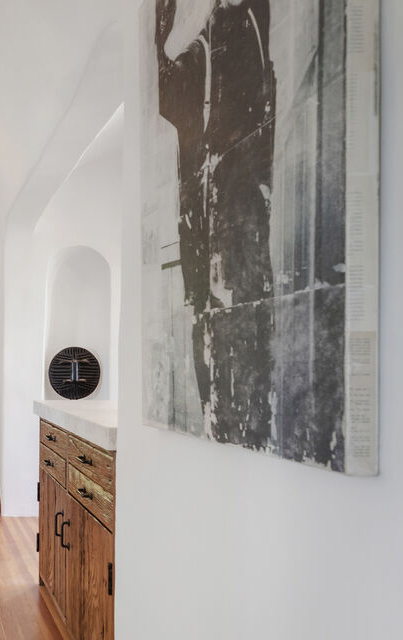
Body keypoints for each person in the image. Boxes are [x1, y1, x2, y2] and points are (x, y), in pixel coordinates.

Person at [155, 0, 276, 447]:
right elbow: (168, 90)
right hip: (205, 186)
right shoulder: (197, 45)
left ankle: (230, 418)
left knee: (228, 291)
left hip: (231, 178)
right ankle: (220, 416)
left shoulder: (238, 29)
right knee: (206, 301)